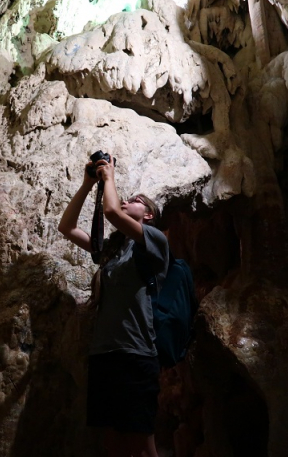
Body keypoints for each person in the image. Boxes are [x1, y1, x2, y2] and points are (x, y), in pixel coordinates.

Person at [58, 156, 169, 457]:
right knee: (114, 444)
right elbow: (66, 227)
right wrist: (87, 184)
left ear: (147, 216)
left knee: (142, 444)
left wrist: (110, 177)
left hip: (135, 353)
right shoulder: (113, 251)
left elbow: (110, 211)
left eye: (135, 201)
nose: (126, 201)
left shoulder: (154, 242)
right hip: (104, 353)